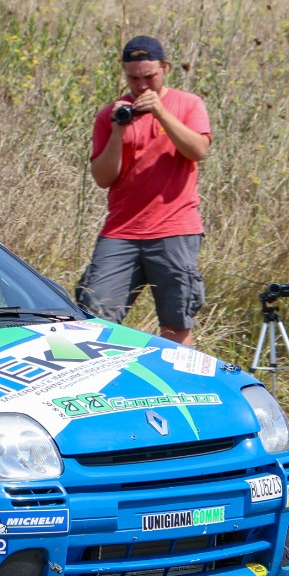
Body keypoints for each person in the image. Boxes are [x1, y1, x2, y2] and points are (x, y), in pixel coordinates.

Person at [76, 35, 211, 345]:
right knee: (93, 318)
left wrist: (160, 112)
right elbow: (103, 178)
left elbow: (197, 150)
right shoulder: (111, 115)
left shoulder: (188, 104)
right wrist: (118, 131)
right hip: (121, 232)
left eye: (150, 76)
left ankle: (177, 376)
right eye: (134, 78)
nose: (142, 85)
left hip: (175, 229)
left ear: (165, 68)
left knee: (176, 323)